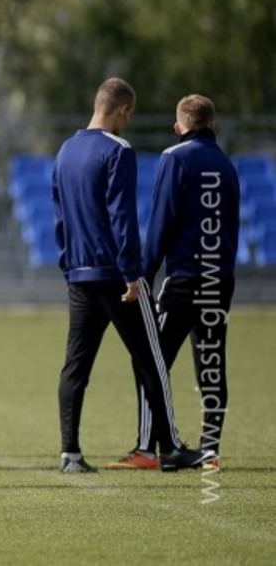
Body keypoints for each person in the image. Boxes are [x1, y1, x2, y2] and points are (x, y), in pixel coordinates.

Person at [52, 77, 212, 473]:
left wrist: (68, 264)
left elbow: (60, 215)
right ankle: (170, 448)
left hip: (79, 274)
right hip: (116, 275)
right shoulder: (118, 150)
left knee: (76, 366)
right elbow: (121, 216)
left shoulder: (66, 150)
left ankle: (70, 453)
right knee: (152, 358)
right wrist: (131, 272)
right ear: (123, 109)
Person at [105, 94, 239, 471]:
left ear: (179, 127)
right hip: (219, 277)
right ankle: (210, 449)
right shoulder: (228, 165)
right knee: (211, 360)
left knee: (151, 360)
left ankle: (149, 449)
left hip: (184, 279)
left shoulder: (174, 157)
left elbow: (162, 219)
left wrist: (144, 274)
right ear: (212, 124)